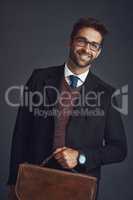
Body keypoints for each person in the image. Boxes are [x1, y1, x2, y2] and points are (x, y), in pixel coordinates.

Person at [7, 17, 127, 200]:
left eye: (94, 45)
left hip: (79, 187)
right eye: (82, 41)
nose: (87, 49)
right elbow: (21, 133)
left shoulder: (107, 94)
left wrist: (81, 157)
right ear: (70, 41)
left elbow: (119, 149)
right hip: (34, 181)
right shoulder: (39, 78)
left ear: (99, 52)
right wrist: (13, 181)